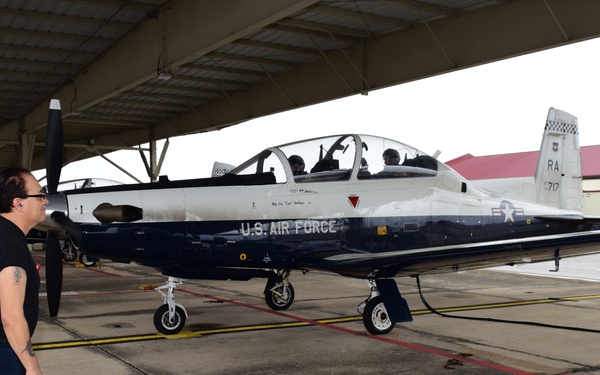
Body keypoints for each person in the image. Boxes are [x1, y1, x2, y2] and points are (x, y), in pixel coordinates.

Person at [0, 167, 46, 375]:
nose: (45, 201)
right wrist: (31, 365)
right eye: (40, 195)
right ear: (18, 203)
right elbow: (11, 316)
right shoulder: (11, 247)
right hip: (5, 353)